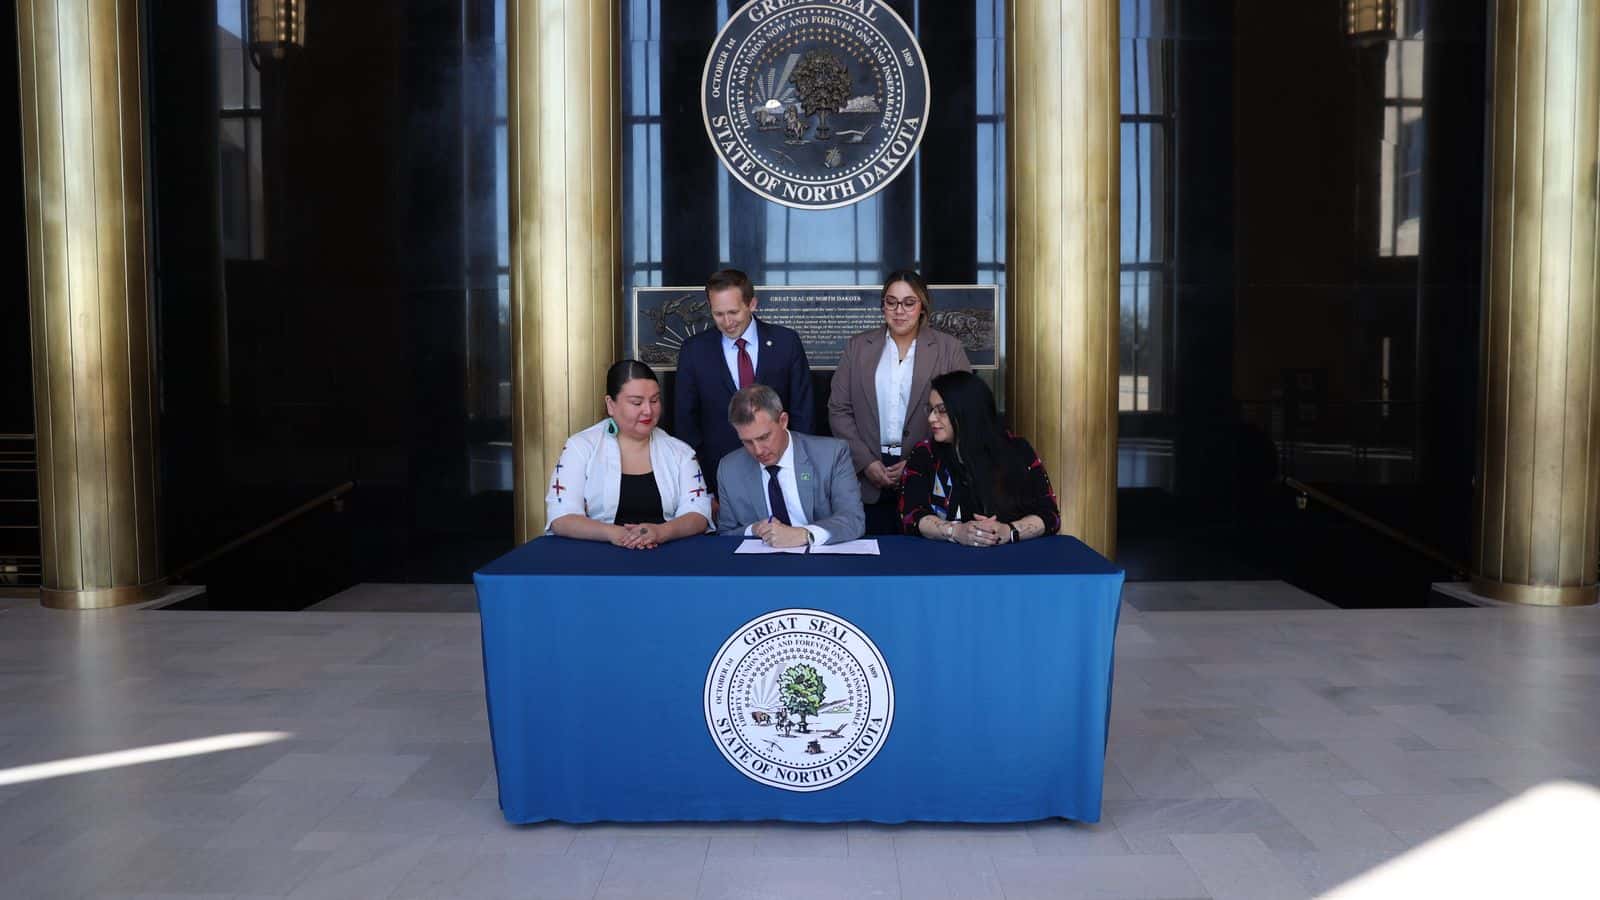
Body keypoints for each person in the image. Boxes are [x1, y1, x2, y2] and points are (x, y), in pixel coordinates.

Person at [828, 270, 973, 534]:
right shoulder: (858, 346)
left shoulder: (948, 348)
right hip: (868, 476)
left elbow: (962, 411)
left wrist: (917, 461)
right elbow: (839, 409)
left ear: (922, 307)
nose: (899, 310)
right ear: (883, 305)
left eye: (909, 302)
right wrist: (866, 462)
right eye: (891, 301)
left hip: (930, 474)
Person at [674, 269, 815, 493]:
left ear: (752, 304)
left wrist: (801, 470)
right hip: (719, 475)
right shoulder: (694, 351)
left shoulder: (786, 342)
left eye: (733, 312)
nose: (727, 322)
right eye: (718, 314)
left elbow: (803, 411)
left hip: (782, 470)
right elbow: (686, 422)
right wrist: (702, 485)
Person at [546, 360, 712, 549]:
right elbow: (561, 517)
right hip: (595, 556)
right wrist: (613, 533)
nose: (648, 410)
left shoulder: (680, 452)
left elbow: (699, 514)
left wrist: (660, 532)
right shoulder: (580, 447)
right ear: (611, 404)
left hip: (665, 555)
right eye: (637, 402)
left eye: (655, 400)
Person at [900, 370, 1060, 546]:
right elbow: (911, 516)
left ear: (968, 411)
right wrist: (955, 531)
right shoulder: (925, 454)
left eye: (942, 410)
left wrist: (1009, 531)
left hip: (1012, 560)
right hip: (944, 561)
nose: (931, 418)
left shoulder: (1018, 451)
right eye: (930, 409)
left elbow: (1050, 516)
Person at [715, 384, 864, 547]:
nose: (758, 450)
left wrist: (804, 535)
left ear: (783, 421)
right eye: (747, 442)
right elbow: (725, 533)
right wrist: (753, 529)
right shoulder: (729, 469)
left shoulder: (831, 455)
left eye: (764, 437)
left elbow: (853, 520)